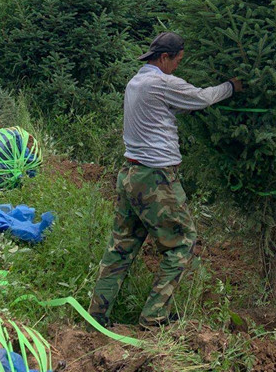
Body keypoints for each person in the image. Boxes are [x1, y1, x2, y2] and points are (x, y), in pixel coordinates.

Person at [89, 31, 242, 328]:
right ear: (164, 58)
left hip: (129, 175)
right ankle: (154, 315)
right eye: (177, 61)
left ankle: (96, 316)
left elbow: (170, 107)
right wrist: (230, 87)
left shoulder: (136, 82)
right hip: (155, 179)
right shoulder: (161, 82)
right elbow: (201, 98)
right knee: (183, 241)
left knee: (120, 247)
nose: (178, 67)